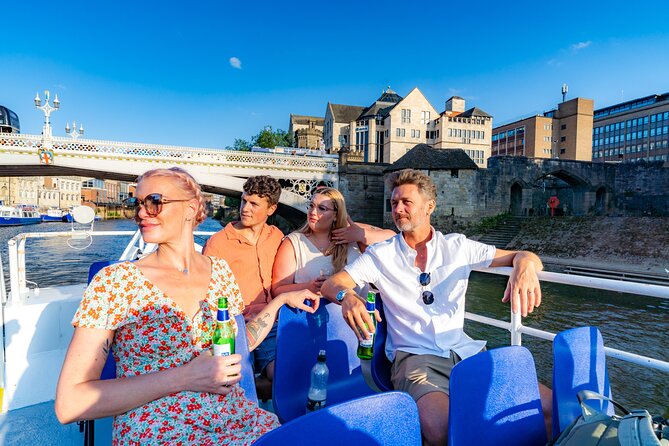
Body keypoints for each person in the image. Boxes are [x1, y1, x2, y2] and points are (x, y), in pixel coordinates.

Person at [55, 167, 318, 444]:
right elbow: (70, 404)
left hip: (234, 415)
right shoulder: (114, 282)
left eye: (154, 202)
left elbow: (239, 344)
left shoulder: (220, 271)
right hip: (157, 426)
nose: (142, 213)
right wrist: (185, 377)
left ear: (191, 208)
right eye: (137, 203)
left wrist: (279, 301)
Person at [321, 168, 552, 445]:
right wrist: (347, 296)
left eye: (406, 202)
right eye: (394, 203)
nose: (398, 209)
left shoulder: (458, 247)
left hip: (466, 351)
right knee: (441, 429)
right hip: (416, 359)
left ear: (429, 206)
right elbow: (332, 283)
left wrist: (525, 265)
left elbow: (524, 255)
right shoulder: (380, 255)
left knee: (547, 408)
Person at [202, 175, 284, 399]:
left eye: (254, 204)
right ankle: (241, 391)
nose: (245, 208)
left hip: (272, 321)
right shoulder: (218, 244)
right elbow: (206, 292)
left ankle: (246, 393)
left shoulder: (276, 236)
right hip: (235, 325)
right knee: (230, 378)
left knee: (283, 376)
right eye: (243, 201)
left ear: (271, 209)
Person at [272, 186, 395, 297]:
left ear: (336, 215)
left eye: (322, 208)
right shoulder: (294, 243)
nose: (313, 212)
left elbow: (393, 239)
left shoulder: (351, 234)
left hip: (357, 315)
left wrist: (362, 235)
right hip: (313, 316)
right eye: (311, 206)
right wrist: (309, 287)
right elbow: (277, 289)